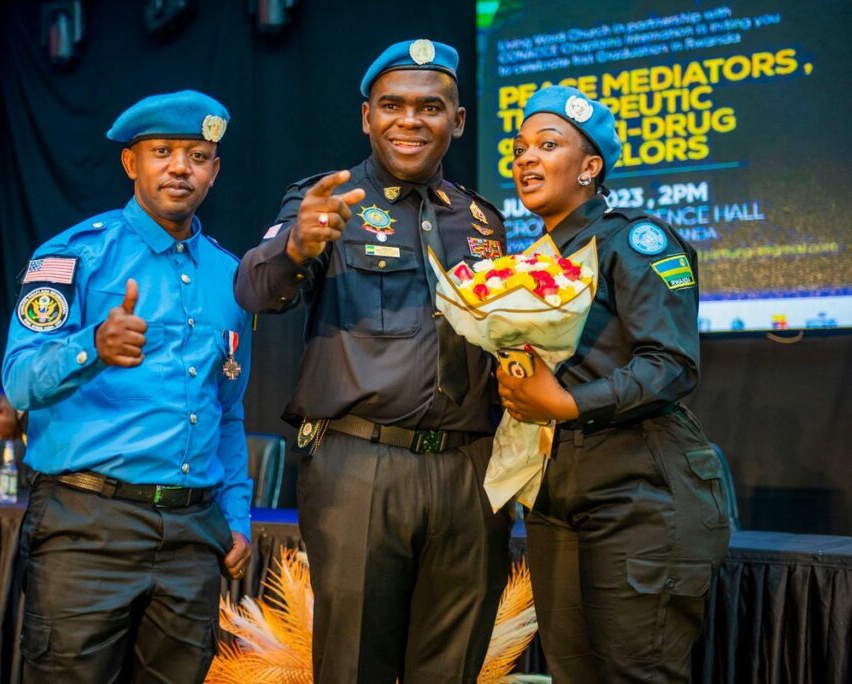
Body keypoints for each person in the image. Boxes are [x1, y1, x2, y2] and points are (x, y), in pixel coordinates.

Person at [234, 40, 511, 683]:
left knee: (453, 665)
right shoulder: (326, 201)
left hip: (471, 472)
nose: (409, 121)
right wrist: (298, 247)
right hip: (361, 466)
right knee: (354, 665)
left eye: (429, 107)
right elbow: (254, 289)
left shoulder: (482, 220)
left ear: (458, 120)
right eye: (392, 106)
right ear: (367, 117)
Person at [3, 90, 252, 682]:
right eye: (161, 151)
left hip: (193, 535)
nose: (179, 167)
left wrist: (237, 514)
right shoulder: (73, 257)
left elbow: (229, 409)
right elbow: (17, 382)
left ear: (214, 171)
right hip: (87, 524)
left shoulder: (231, 274)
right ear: (130, 163)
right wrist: (94, 345)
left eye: (197, 155)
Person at [496, 85, 730, 682]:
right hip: (554, 496)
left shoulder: (635, 240)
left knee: (635, 674)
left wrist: (568, 402)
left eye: (547, 146)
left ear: (591, 167)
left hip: (641, 489)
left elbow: (671, 363)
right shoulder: (531, 263)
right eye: (520, 148)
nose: (526, 159)